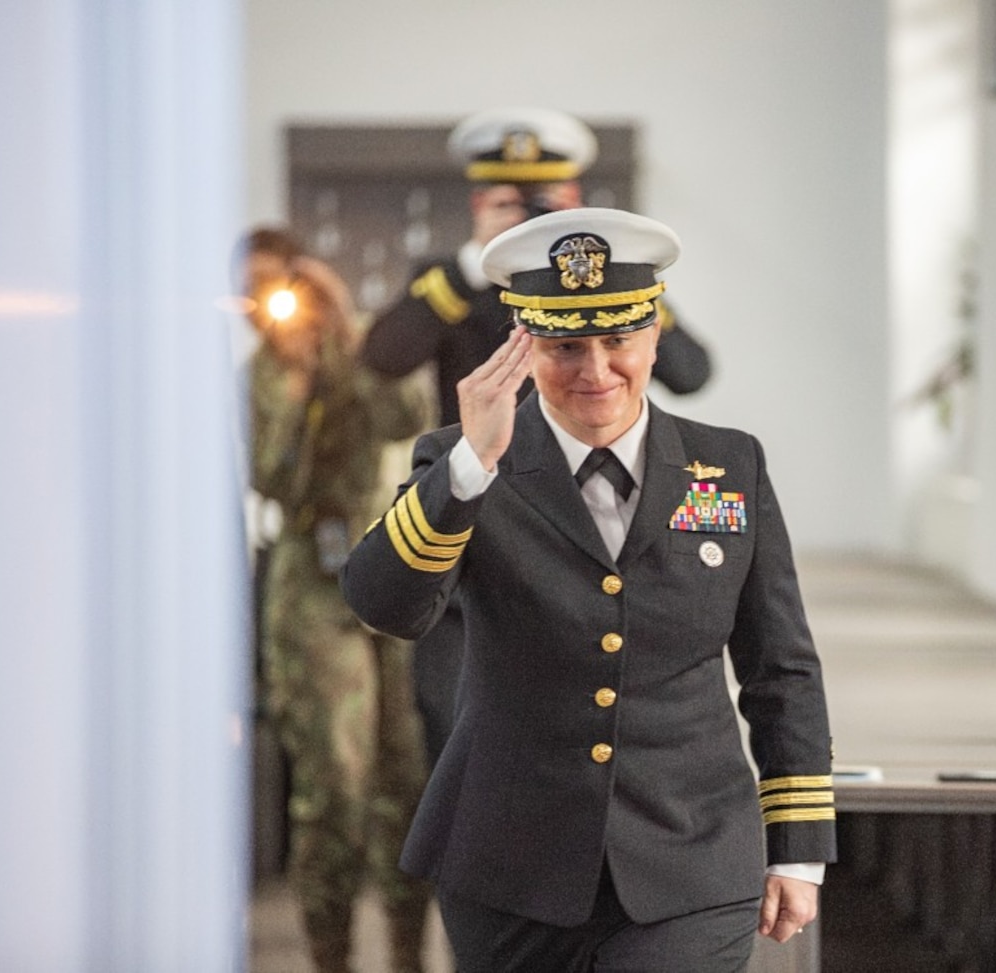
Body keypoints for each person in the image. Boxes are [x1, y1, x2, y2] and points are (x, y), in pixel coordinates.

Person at [340, 208, 836, 972]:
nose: (596, 370)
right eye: (565, 345)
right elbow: (386, 604)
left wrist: (799, 847)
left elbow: (782, 667)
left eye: (618, 341)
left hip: (690, 856)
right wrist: (470, 465)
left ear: (653, 335)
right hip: (509, 864)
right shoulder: (461, 462)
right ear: (525, 346)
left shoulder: (728, 466)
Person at [362, 107, 715, 768]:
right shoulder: (452, 278)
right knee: (453, 714)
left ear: (574, 200)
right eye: (505, 199)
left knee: (586, 712)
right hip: (481, 504)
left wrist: (630, 300)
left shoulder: (613, 282)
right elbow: (381, 355)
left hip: (582, 520)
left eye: (542, 200)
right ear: (477, 202)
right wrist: (474, 263)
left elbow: (692, 373)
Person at [241, 227, 433, 973]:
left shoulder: (352, 350)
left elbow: (405, 417)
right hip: (310, 583)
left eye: (279, 283)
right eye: (253, 289)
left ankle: (412, 957)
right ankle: (330, 958)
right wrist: (295, 392)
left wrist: (354, 334)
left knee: (403, 783)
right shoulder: (259, 375)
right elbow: (272, 481)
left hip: (380, 565)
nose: (269, 304)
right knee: (333, 793)